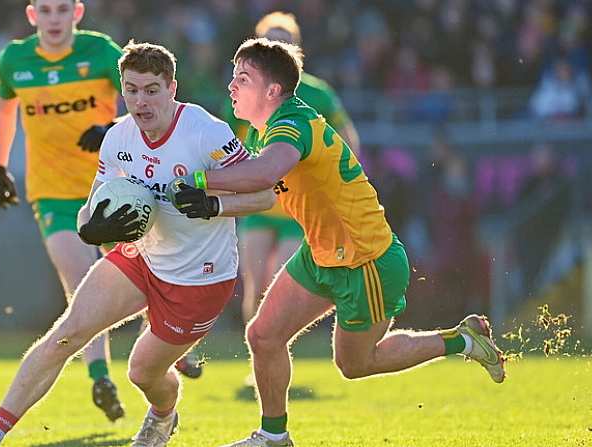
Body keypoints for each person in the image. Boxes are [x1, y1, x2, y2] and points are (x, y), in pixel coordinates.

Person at [173, 38, 506, 447]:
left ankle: (462, 340)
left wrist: (200, 179)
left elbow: (264, 174)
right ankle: (273, 437)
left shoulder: (290, 125)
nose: (231, 87)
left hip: (366, 262)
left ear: (272, 91)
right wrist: (210, 204)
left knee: (354, 364)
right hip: (322, 254)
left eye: (243, 79)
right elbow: (265, 195)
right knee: (262, 335)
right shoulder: (271, 130)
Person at [0, 41, 275, 447]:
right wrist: (91, 230)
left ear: (172, 88)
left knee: (142, 372)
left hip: (199, 279)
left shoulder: (207, 132)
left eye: (151, 90)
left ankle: (163, 414)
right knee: (66, 334)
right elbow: (90, 212)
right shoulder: (118, 138)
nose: (141, 101)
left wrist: (213, 204)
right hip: (141, 258)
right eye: (132, 90)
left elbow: (266, 195)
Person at [0, 0, 129, 421]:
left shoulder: (102, 52)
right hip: (52, 195)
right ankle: (100, 376)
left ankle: (168, 354)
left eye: (61, 10)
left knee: (149, 268)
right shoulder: (15, 59)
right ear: (32, 16)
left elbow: (148, 98)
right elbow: (1, 113)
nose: (53, 19)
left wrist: (110, 129)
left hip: (112, 187)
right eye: (44, 11)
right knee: (82, 281)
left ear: (76, 13)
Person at [220, 12, 361, 346]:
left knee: (277, 287)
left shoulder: (318, 94)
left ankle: (276, 350)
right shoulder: (244, 93)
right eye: (271, 41)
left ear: (297, 49)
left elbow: (347, 139)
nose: (279, 46)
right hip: (259, 206)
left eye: (286, 40)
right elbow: (228, 143)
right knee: (254, 289)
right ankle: (260, 355)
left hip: (299, 212)